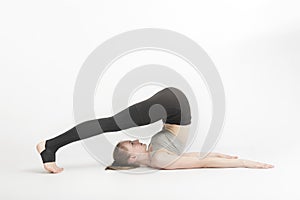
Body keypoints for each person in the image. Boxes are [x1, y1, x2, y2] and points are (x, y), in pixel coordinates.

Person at [36, 87, 274, 173]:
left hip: (170, 105)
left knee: (109, 123)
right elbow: (201, 161)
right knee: (108, 123)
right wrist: (243, 162)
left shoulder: (155, 156)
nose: (136, 140)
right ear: (132, 157)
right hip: (172, 105)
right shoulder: (159, 159)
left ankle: (51, 146)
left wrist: (226, 157)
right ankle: (50, 146)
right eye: (131, 144)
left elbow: (197, 159)